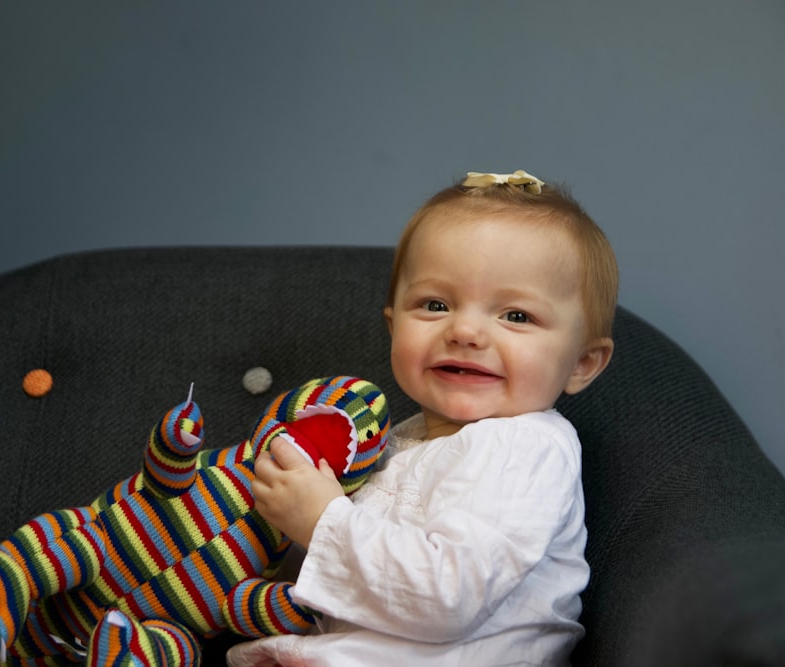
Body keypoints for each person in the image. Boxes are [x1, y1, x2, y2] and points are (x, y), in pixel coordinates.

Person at [228, 169, 618, 667]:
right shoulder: (393, 442)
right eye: (436, 304)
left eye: (516, 316)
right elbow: (338, 586)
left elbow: (449, 597)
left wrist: (321, 520)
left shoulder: (525, 448)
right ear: (395, 326)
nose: (466, 331)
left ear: (582, 363)